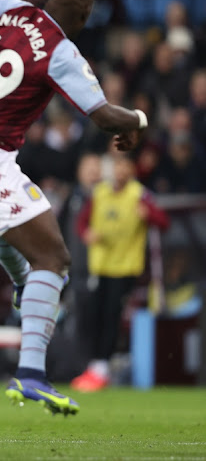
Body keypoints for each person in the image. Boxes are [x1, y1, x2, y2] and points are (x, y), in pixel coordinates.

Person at [0, 0, 148, 415]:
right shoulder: (62, 53)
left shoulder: (13, 8)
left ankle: (20, 285)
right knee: (54, 259)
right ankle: (31, 376)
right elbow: (105, 116)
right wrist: (139, 122)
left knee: (20, 225)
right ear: (86, 12)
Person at [72, 154, 169, 391]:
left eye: (126, 166)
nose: (121, 171)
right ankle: (95, 366)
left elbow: (164, 222)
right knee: (94, 315)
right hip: (101, 266)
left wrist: (149, 216)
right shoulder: (100, 193)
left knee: (112, 317)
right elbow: (81, 223)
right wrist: (87, 234)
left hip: (125, 267)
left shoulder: (140, 195)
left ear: (132, 169)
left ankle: (103, 367)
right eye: (118, 166)